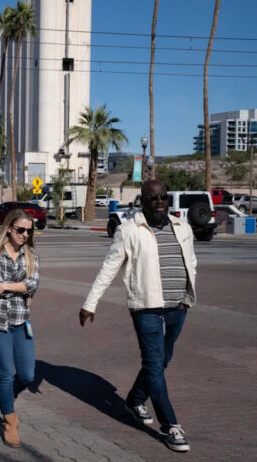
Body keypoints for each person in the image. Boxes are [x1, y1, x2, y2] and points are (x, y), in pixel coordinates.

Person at [79, 180, 196, 453]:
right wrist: (90, 303)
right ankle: (171, 426)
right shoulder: (129, 230)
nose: (160, 202)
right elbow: (109, 268)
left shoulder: (182, 227)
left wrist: (186, 298)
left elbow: (190, 261)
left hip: (177, 307)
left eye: (163, 197)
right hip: (146, 308)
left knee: (162, 361)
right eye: (153, 198)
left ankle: (135, 399)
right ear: (143, 201)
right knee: (154, 366)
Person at [0, 209, 39, 448]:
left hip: (20, 320)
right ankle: (9, 421)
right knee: (5, 373)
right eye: (20, 230)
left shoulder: (31, 255)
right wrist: (20, 287)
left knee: (27, 375)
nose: (25, 234)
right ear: (9, 229)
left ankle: (4, 398)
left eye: (29, 231)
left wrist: (7, 286)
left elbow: (33, 283)